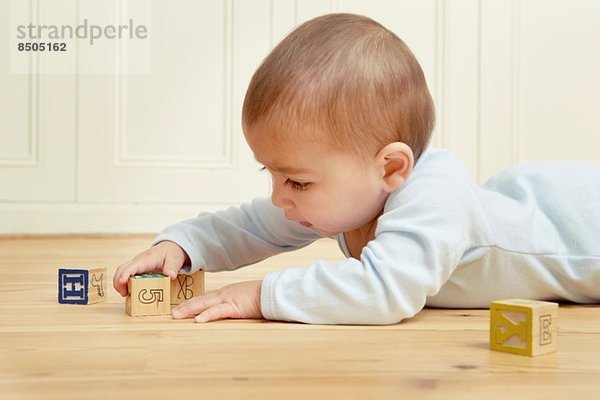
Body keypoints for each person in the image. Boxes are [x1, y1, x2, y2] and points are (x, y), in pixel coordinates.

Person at [113, 13, 600, 325]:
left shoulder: (434, 196)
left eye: (297, 181)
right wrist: (182, 244)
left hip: (584, 231)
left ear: (390, 166)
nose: (282, 197)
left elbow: (386, 291)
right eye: (273, 175)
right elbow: (253, 224)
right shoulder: (351, 193)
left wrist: (261, 296)